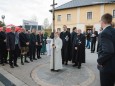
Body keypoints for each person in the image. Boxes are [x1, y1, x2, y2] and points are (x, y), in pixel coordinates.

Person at [97, 13, 115, 86]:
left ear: (102, 22)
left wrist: (99, 61)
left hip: (107, 66)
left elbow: (109, 51)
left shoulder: (104, 33)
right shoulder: (113, 30)